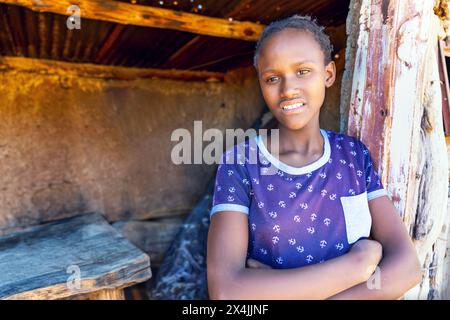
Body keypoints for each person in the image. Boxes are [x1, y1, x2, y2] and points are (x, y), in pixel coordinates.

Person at [206, 15, 421, 300]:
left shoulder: (354, 156)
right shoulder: (240, 163)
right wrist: (355, 266)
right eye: (272, 78)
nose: (288, 89)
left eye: (303, 71)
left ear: (328, 74)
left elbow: (407, 268)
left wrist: (273, 289)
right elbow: (226, 293)